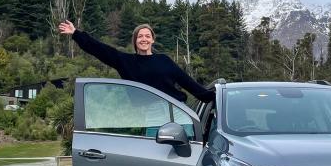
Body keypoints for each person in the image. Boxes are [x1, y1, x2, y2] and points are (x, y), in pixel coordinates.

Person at [58, 20, 214, 104]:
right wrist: (76, 34)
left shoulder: (164, 60)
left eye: (147, 36)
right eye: (140, 36)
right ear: (135, 41)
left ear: (152, 40)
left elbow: (188, 83)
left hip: (179, 112)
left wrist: (212, 97)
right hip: (150, 117)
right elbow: (99, 49)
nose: (144, 39)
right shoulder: (126, 62)